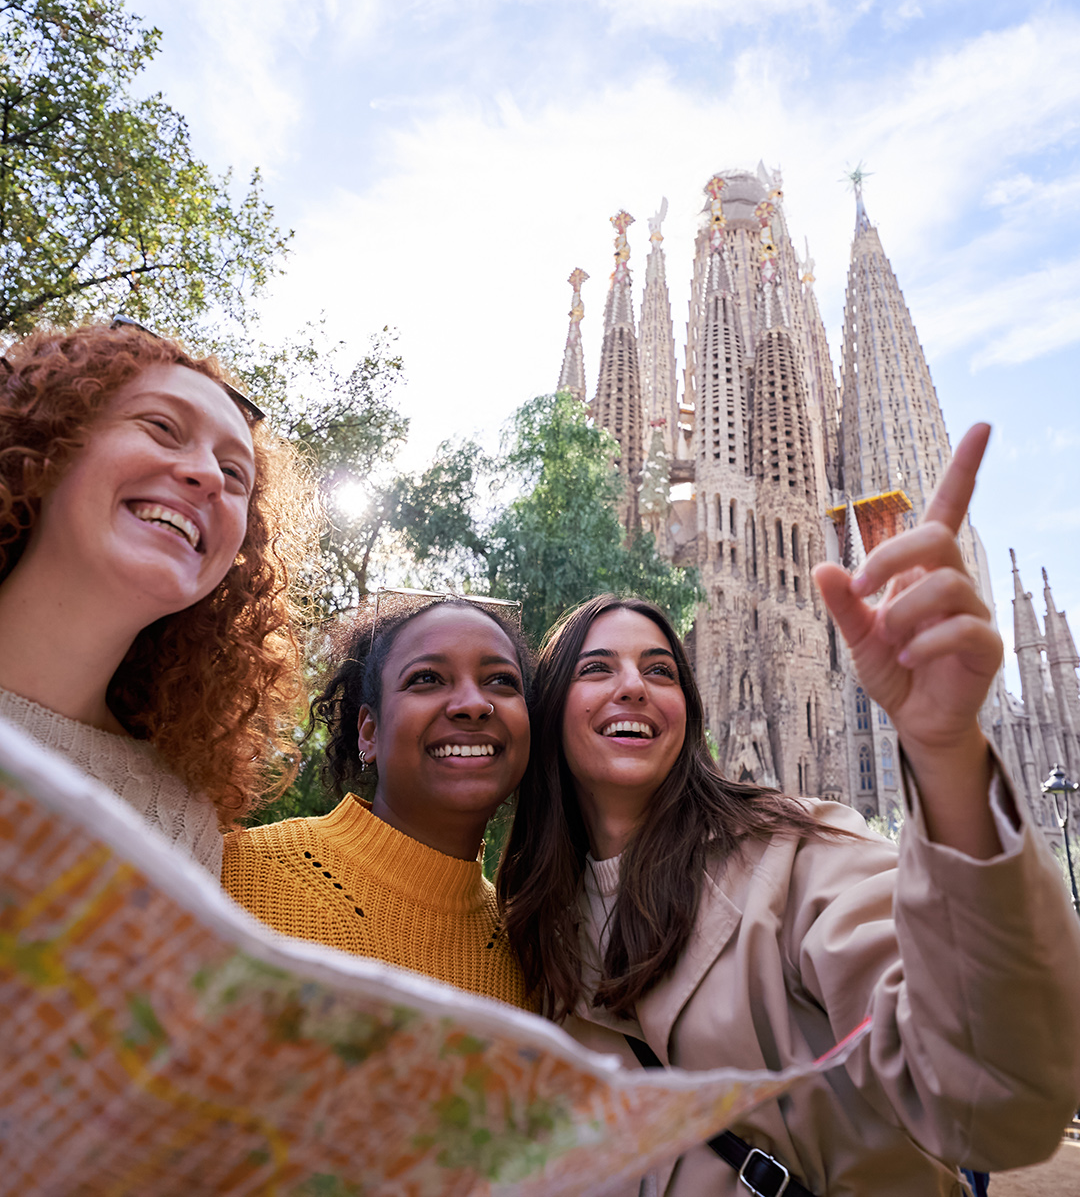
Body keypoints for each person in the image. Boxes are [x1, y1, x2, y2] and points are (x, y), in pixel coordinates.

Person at [500, 426, 1080, 1196]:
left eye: (661, 668)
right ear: (551, 709)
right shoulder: (528, 930)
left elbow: (988, 1097)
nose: (632, 687)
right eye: (596, 668)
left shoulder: (795, 857)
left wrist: (945, 754)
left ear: (690, 709)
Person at [0, 319, 309, 874]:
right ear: (48, 439)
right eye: (163, 427)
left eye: (235, 474)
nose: (209, 477)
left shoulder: (179, 826)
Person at [223, 595, 534, 1007]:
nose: (474, 704)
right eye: (427, 678)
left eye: (502, 680)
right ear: (369, 732)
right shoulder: (233, 877)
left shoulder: (532, 955)